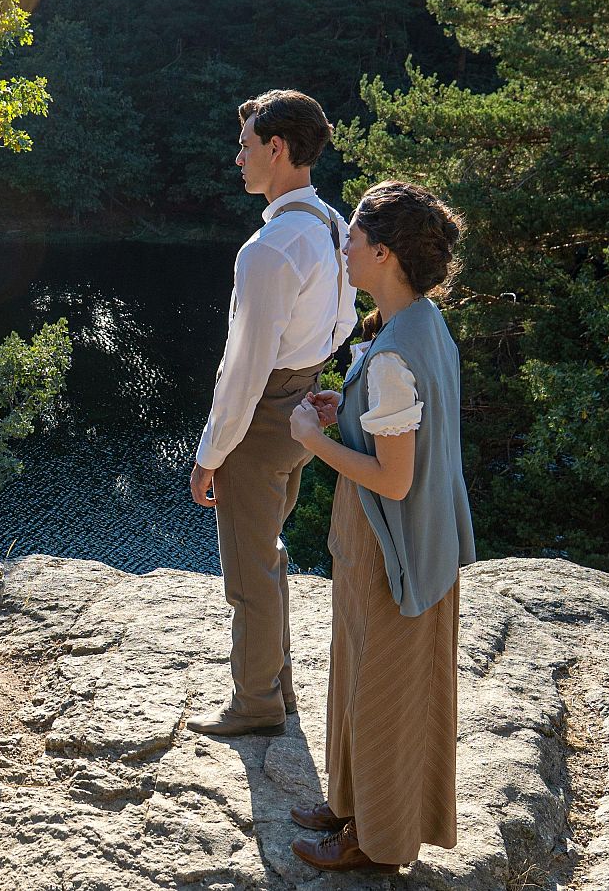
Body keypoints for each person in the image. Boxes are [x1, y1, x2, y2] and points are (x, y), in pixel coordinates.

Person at [285, 180, 476, 871]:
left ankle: (374, 841)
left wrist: (313, 439)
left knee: (383, 692)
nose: (344, 248)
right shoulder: (418, 324)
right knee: (355, 671)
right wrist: (353, 412)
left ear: (385, 255)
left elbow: (395, 480)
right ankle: (350, 802)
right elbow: (406, 437)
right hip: (394, 539)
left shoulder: (395, 351)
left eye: (354, 240)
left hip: (389, 545)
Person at [186, 89, 357, 738]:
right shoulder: (333, 225)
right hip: (299, 412)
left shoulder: (268, 250)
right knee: (271, 553)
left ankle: (255, 703)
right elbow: (341, 320)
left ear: (276, 148)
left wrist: (210, 454)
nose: (238, 158)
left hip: (260, 424)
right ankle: (277, 690)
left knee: (249, 571)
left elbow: (242, 372)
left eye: (246, 145)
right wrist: (309, 374)